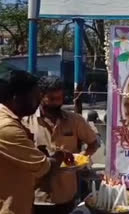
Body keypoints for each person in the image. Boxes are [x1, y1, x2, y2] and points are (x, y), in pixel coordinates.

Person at [24, 75, 99, 214]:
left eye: (60, 98)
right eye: (52, 99)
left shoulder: (75, 120)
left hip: (66, 194)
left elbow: (93, 143)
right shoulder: (26, 122)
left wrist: (82, 158)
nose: (56, 103)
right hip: (36, 195)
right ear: (40, 96)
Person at [0, 71, 63, 214]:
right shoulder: (7, 128)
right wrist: (59, 158)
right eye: (35, 96)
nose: (38, 102)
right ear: (16, 98)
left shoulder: (5, 119)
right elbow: (44, 168)